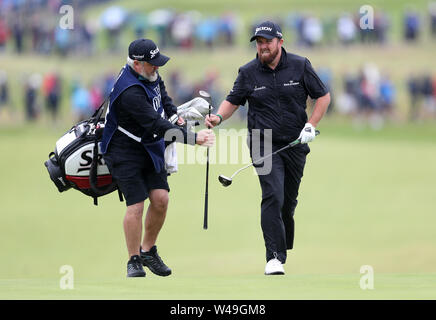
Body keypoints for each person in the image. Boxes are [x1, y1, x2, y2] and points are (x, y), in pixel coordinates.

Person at [205, 21, 330, 275]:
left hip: (296, 142)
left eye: (267, 42)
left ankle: (282, 244)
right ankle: (273, 257)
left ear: (280, 43)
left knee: (287, 201)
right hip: (262, 141)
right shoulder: (248, 72)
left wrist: (311, 125)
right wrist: (218, 118)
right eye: (259, 42)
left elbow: (323, 96)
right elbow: (233, 101)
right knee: (273, 193)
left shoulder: (300, 65)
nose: (262, 46)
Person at [101, 38, 214, 277]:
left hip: (149, 145)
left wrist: (176, 116)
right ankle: (133, 260)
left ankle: (148, 251)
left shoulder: (151, 74)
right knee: (136, 205)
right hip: (123, 150)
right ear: (137, 64)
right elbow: (156, 124)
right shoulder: (129, 90)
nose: (157, 67)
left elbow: (164, 99)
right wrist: (194, 138)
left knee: (161, 199)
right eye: (152, 64)